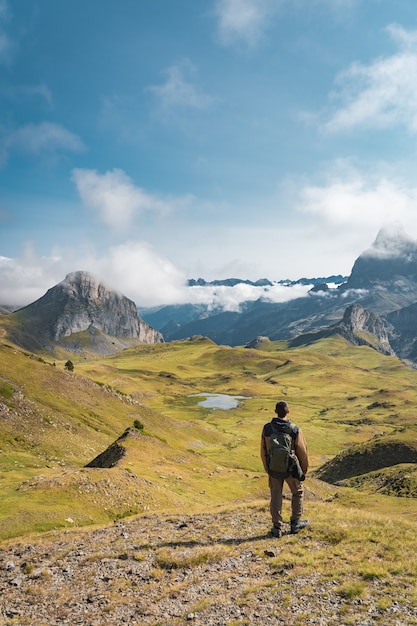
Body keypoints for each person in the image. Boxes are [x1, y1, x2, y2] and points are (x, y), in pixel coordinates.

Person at [260, 400, 309, 538]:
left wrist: (268, 468)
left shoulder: (267, 429)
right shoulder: (294, 429)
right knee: (297, 492)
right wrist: (302, 471)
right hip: (291, 468)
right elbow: (302, 452)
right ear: (288, 412)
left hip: (274, 468)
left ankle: (277, 527)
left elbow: (263, 450)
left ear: (275, 412)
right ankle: (295, 523)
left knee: (276, 495)